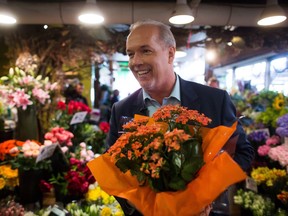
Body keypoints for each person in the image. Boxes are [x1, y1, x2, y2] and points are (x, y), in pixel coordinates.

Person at [106, 19, 254, 216]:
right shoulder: (121, 109)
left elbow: (243, 152)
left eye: (146, 51)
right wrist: (140, 206)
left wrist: (208, 193)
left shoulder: (215, 100)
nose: (136, 62)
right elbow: (113, 171)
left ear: (170, 53)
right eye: (131, 54)